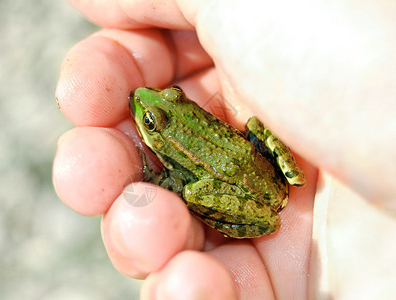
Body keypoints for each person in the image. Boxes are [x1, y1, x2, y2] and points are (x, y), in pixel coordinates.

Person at [53, 1, 396, 299]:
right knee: (251, 132)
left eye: (169, 98)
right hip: (274, 174)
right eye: (153, 117)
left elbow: (179, 186)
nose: (147, 96)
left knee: (190, 190)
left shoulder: (166, 145)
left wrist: (165, 182)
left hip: (252, 192)